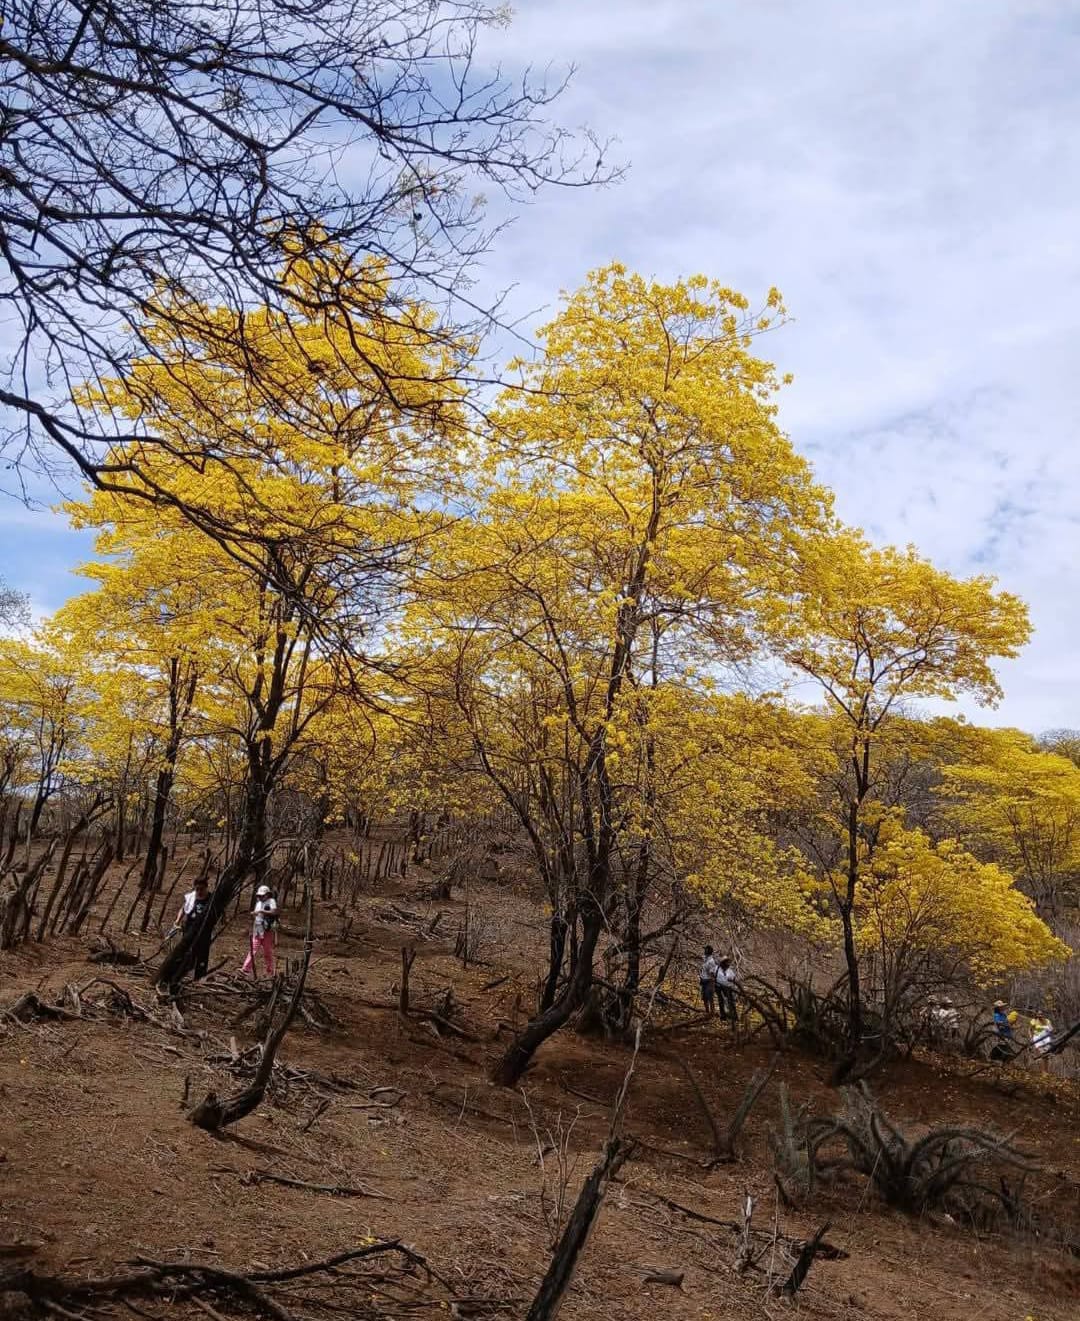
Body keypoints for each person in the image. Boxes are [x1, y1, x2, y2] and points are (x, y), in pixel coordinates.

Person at [173, 876, 214, 980]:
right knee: (187, 953)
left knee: (202, 956)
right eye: (197, 889)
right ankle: (180, 974)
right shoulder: (191, 897)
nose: (199, 891)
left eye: (201, 889)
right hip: (189, 929)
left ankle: (198, 978)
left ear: (206, 887)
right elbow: (183, 908)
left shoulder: (211, 898)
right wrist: (177, 921)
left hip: (204, 931)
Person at [242, 884, 278, 978]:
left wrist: (263, 911)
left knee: (267, 951)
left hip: (267, 930)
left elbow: (274, 911)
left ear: (267, 895)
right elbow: (257, 916)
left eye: (262, 895)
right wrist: (254, 914)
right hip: (258, 929)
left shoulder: (271, 901)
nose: (260, 897)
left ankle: (270, 971)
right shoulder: (258, 903)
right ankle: (245, 969)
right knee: (253, 950)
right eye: (259, 896)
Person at [715, 956, 738, 1023]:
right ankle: (723, 1017)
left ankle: (734, 1017)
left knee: (731, 1002)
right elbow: (713, 975)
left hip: (728, 987)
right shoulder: (717, 969)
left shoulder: (729, 970)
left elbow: (734, 978)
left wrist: (733, 983)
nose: (727, 964)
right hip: (719, 987)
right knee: (721, 1001)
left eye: (728, 963)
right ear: (722, 963)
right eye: (726, 962)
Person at [699, 945, 719, 1015]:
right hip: (704, 981)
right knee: (704, 998)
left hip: (709, 982)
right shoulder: (705, 959)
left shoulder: (711, 961)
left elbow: (712, 973)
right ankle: (707, 1012)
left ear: (708, 951)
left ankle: (712, 1013)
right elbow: (703, 968)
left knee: (710, 997)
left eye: (705, 949)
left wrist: (713, 981)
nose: (704, 951)